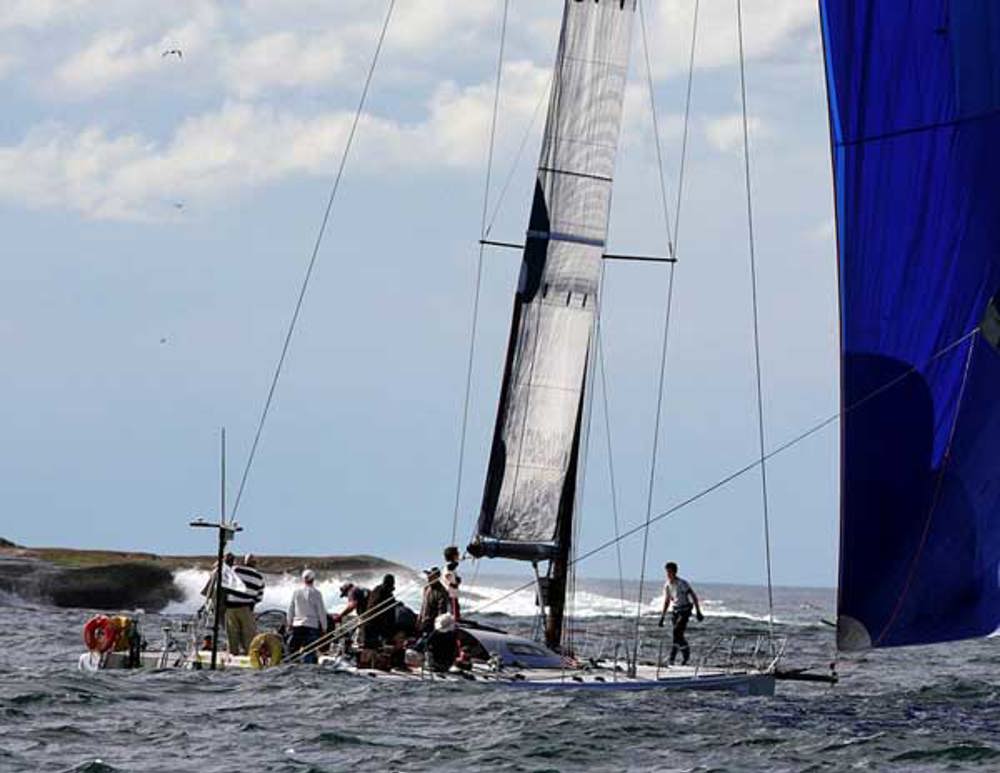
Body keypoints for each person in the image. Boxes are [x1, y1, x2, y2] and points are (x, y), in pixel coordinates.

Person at [657, 561, 704, 666]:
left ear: (674, 572)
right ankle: (684, 654)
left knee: (676, 631)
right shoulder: (667, 585)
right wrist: (662, 617)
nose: (668, 574)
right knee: (677, 636)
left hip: (684, 610)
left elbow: (693, 596)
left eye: (670, 572)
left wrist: (698, 611)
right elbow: (667, 601)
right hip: (675, 611)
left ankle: (674, 657)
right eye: (667, 572)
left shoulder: (682, 583)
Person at [223, 553, 265, 655]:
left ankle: (233, 656)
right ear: (255, 564)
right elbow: (259, 598)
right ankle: (249, 657)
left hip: (230, 609)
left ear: (245, 562)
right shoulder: (260, 578)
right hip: (246, 609)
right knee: (249, 638)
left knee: (232, 637)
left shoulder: (236, 570)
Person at [287, 569, 328, 664]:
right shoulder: (317, 593)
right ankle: (307, 671)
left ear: (303, 579)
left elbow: (291, 609)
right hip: (311, 626)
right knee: (309, 651)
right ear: (313, 579)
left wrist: (289, 623)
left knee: (294, 650)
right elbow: (321, 612)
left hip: (297, 625)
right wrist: (324, 627)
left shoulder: (296, 592)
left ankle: (293, 667)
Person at [365, 574, 398, 647]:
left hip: (369, 621)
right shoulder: (387, 595)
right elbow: (390, 615)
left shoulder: (376, 589)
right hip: (375, 623)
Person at [418, 566, 450, 635]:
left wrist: (437, 629)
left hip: (432, 626)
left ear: (437, 577)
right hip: (423, 624)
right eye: (428, 575)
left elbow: (441, 612)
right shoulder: (426, 588)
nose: (428, 577)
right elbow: (423, 606)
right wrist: (419, 619)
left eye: (431, 575)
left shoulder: (442, 592)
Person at [441, 546, 462, 621]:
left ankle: (455, 620)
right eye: (457, 553)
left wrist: (457, 580)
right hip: (451, 592)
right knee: (454, 609)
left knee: (455, 608)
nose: (459, 554)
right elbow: (447, 575)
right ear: (453, 556)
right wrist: (454, 583)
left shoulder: (450, 566)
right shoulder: (450, 566)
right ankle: (455, 622)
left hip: (452, 592)